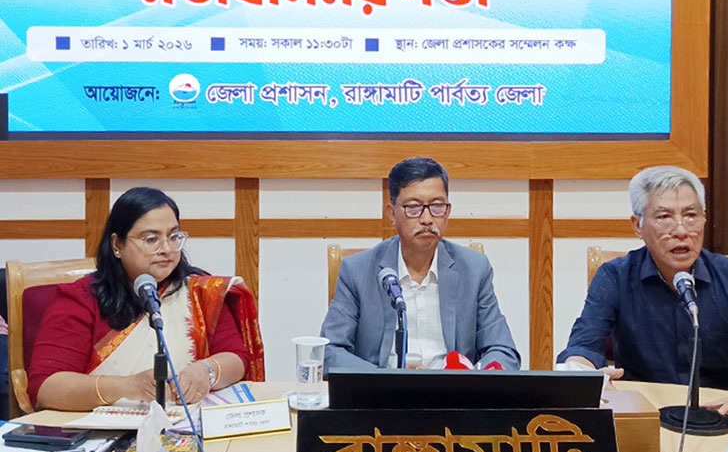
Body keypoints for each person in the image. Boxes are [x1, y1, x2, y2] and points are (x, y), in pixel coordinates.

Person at [557, 166, 728, 423]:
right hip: (645, 414)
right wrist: (585, 374)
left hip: (720, 414)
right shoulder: (615, 277)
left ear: (704, 218)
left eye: (691, 215)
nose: (681, 230)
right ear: (638, 225)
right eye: (664, 217)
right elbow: (581, 347)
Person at [27, 187, 264, 411]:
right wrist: (126, 387)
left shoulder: (199, 291)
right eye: (151, 239)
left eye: (173, 236)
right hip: (104, 430)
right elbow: (46, 387)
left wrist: (206, 370)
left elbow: (237, 357)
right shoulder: (80, 299)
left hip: (185, 425)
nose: (166, 249)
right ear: (117, 245)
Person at [320, 157, 520, 371]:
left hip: (453, 388)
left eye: (437, 206)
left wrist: (471, 378)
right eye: (414, 207)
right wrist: (386, 378)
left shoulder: (474, 269)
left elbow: (503, 351)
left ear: (448, 211)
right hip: (384, 389)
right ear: (392, 214)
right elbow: (331, 351)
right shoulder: (357, 272)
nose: (426, 219)